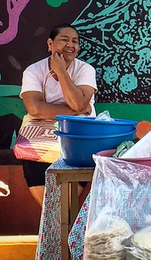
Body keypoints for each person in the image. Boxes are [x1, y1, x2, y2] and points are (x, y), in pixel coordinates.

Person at [19, 24, 97, 206]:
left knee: (75, 166)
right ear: (50, 44)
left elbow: (78, 102)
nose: (70, 45)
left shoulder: (85, 70)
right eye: (64, 40)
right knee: (32, 162)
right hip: (43, 137)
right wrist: (76, 112)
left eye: (75, 41)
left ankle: (61, 226)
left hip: (79, 135)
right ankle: (55, 223)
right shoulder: (33, 71)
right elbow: (35, 109)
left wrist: (61, 70)